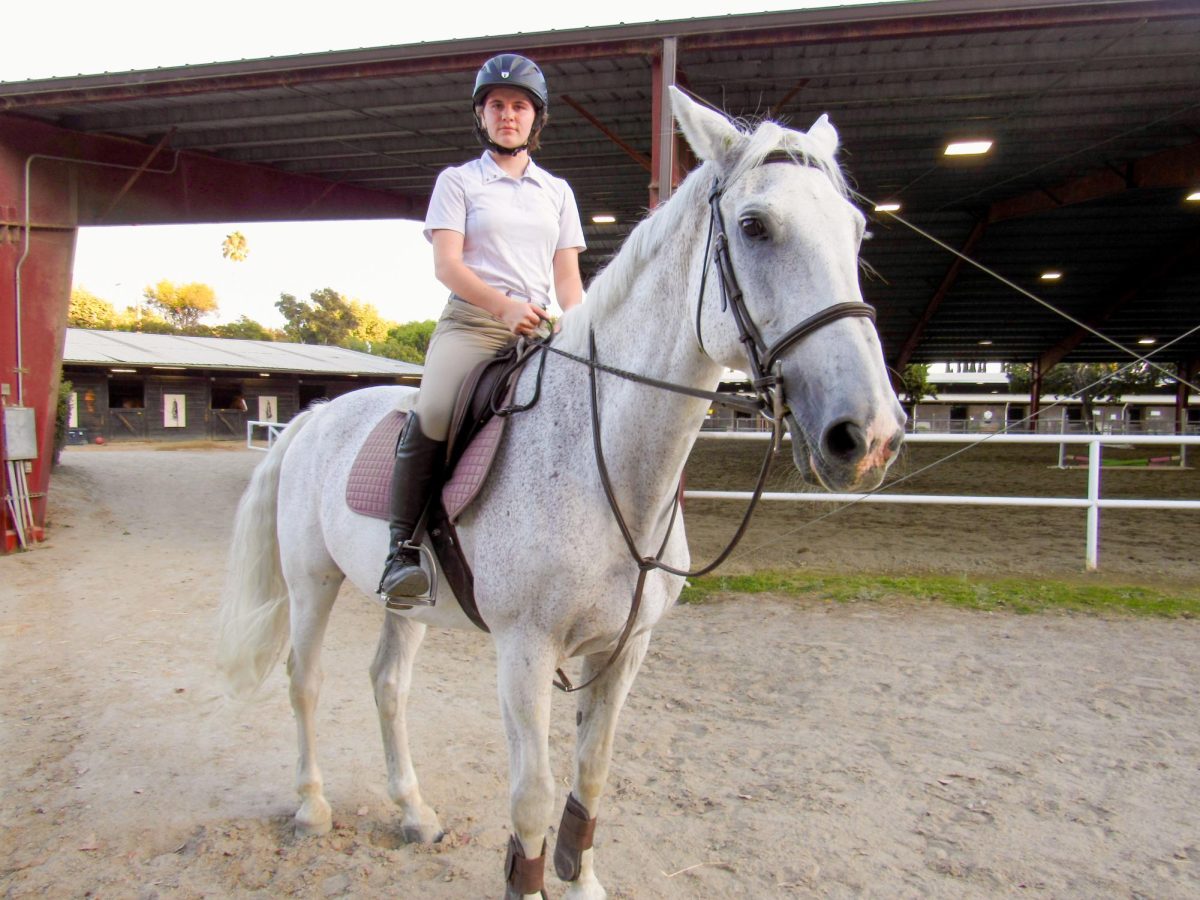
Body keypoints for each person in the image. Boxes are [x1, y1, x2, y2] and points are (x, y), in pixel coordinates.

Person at [378, 53, 586, 602]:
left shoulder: (557, 192)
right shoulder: (459, 181)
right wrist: (502, 308)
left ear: (535, 118)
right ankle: (401, 551)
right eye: (497, 105)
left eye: (519, 106)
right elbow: (447, 265)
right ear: (482, 115)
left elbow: (567, 277)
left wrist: (582, 325)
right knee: (438, 408)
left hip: (539, 328)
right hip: (473, 323)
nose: (508, 115)